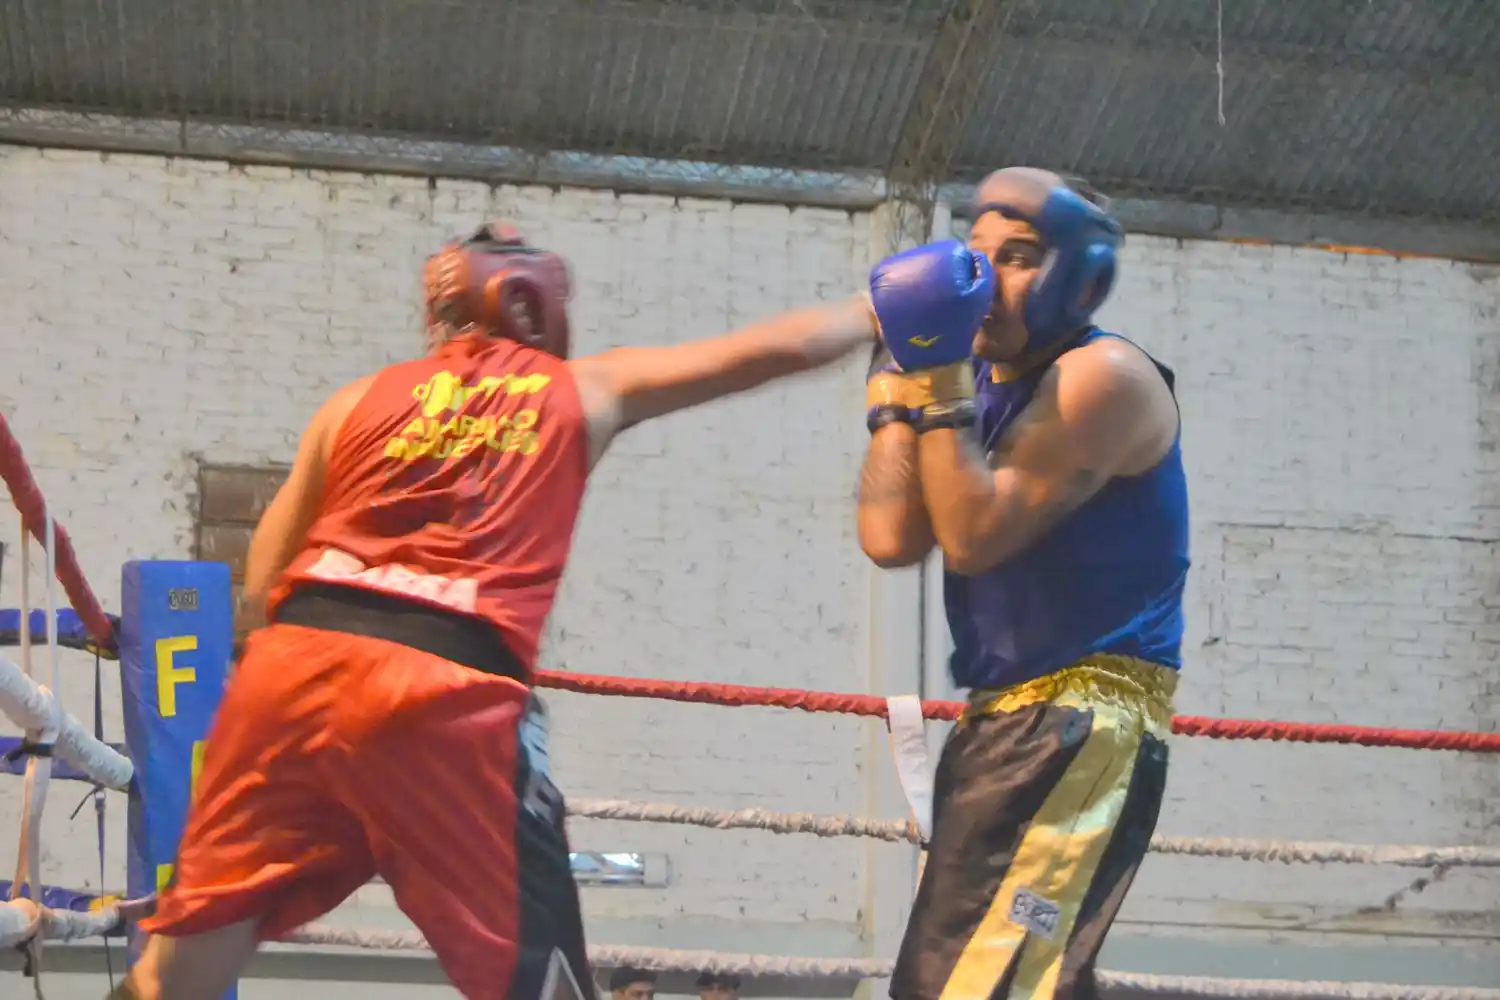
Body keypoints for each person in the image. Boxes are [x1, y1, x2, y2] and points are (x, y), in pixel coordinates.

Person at [114, 224, 992, 1000]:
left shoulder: (354, 402)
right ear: (536, 304)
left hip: (287, 674)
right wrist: (886, 306)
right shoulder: (577, 387)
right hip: (441, 691)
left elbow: (267, 575)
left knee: (178, 970)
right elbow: (764, 350)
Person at [859, 168, 1189, 1000]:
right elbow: (891, 537)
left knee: (973, 987)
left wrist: (931, 385)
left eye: (1016, 257)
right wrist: (893, 393)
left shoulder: (1102, 376)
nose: (983, 277)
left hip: (1080, 724)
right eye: (976, 253)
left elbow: (973, 537)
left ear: (1077, 278)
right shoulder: (975, 388)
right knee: (981, 981)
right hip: (1004, 723)